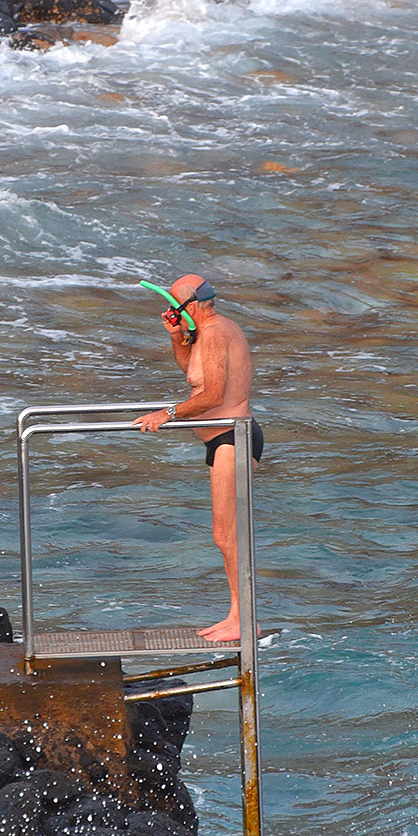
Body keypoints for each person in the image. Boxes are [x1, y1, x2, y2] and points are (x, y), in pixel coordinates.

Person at [134, 274, 261, 643]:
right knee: (224, 535)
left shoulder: (218, 331)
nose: (172, 311)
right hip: (222, 440)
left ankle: (244, 619)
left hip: (233, 437)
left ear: (191, 306)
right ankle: (237, 614)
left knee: (227, 535)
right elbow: (195, 375)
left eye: (175, 306)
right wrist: (177, 337)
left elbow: (214, 395)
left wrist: (168, 414)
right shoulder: (206, 334)